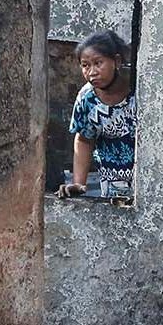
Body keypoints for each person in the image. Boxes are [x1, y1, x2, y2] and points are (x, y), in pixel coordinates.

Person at [58, 29, 137, 202]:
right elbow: (84, 139)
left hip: (146, 182)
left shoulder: (139, 89)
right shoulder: (87, 99)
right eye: (85, 65)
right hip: (112, 187)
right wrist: (79, 183)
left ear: (116, 61)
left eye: (98, 63)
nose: (91, 72)